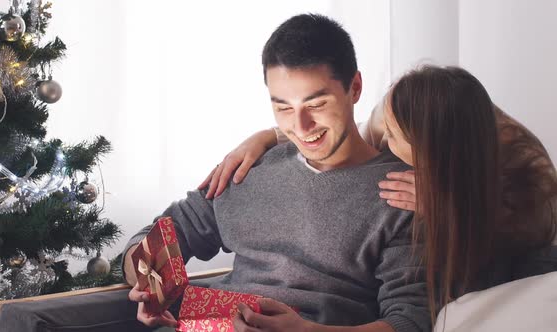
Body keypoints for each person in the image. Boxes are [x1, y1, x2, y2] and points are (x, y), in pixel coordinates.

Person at [123, 14, 430, 332]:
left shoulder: (405, 194)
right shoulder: (248, 167)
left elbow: (409, 322)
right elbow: (159, 236)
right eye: (283, 108)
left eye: (316, 104)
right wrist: (147, 281)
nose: (300, 127)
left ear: (355, 87)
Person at [202, 65, 557, 322]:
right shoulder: (391, 116)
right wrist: (268, 136)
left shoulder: (527, 178)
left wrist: (448, 208)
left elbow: (531, 239)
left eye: (395, 138)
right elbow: (350, 135)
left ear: (428, 155)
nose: (381, 143)